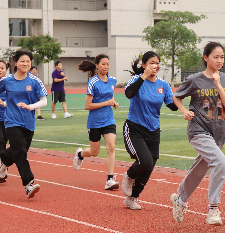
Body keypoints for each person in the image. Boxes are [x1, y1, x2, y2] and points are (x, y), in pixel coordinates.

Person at [170, 42, 225, 226]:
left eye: (222, 57)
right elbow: (176, 96)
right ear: (206, 58)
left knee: (200, 170)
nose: (219, 60)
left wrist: (218, 85)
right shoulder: (195, 79)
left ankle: (180, 200)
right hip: (198, 130)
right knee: (220, 162)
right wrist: (184, 111)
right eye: (215, 56)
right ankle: (213, 208)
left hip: (218, 133)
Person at [120, 52, 178, 210]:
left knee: (150, 165)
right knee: (145, 161)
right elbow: (128, 94)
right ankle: (129, 175)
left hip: (154, 130)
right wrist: (143, 76)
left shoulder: (163, 85)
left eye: (158, 62)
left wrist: (182, 95)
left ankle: (132, 198)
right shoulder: (137, 80)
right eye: (152, 62)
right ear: (144, 65)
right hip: (135, 128)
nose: (156, 65)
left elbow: (172, 106)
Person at [0, 50, 48, 198]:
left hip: (28, 122)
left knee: (20, 150)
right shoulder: (7, 80)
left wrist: (30, 106)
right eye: (22, 61)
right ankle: (29, 184)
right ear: (16, 63)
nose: (25, 64)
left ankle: (3, 159)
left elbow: (44, 100)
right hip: (11, 121)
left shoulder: (35, 81)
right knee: (20, 151)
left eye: (28, 61)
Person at [73, 54, 120, 190]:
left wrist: (113, 103)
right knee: (94, 152)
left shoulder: (113, 81)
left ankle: (110, 180)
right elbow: (87, 105)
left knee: (111, 146)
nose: (106, 66)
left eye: (108, 64)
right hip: (94, 122)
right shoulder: (93, 82)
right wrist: (107, 103)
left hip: (108, 120)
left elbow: (110, 96)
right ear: (97, 65)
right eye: (103, 64)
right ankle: (80, 154)